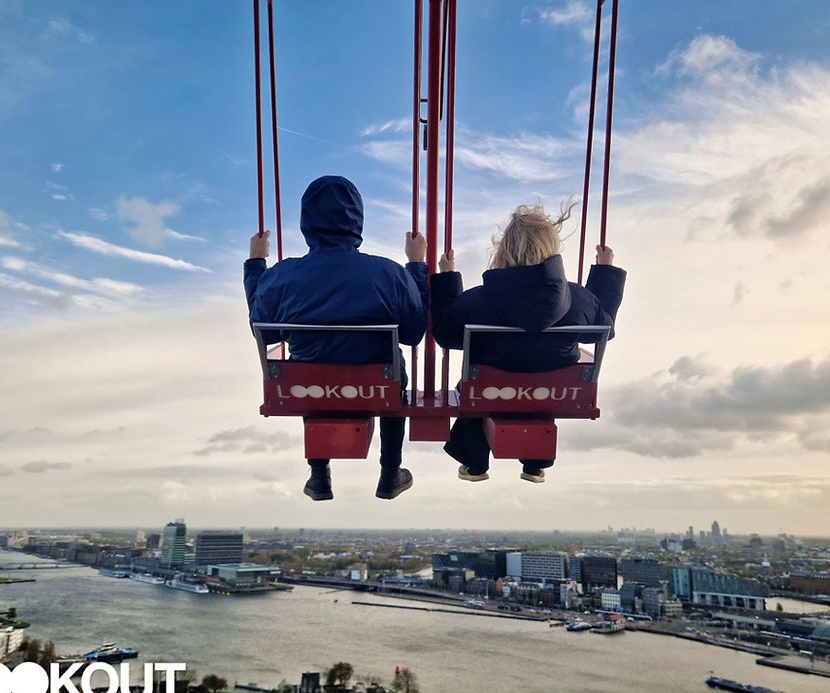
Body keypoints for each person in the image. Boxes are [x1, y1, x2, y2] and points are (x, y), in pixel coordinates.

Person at [244, 175, 429, 501]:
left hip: (310, 390)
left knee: (308, 370)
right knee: (394, 370)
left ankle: (319, 475)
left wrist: (257, 265)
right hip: (377, 387)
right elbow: (414, 334)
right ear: (357, 219)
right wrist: (416, 266)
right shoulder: (388, 274)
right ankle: (390, 472)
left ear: (306, 223)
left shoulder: (283, 275)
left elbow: (265, 331)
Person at [430, 202, 625, 483]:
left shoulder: (477, 301)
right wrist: (605, 274)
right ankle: (535, 463)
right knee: (542, 382)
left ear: (504, 249)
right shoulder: (579, 299)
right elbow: (601, 331)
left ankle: (474, 460)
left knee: (476, 384)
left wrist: (447, 279)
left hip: (489, 391)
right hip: (553, 395)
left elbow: (446, 334)